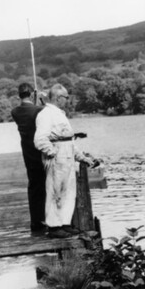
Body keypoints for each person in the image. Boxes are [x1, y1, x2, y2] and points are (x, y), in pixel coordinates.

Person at [33, 84, 100, 239]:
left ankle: (64, 223)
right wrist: (52, 152)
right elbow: (40, 139)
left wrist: (83, 158)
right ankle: (54, 226)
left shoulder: (59, 114)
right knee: (55, 191)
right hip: (57, 156)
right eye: (66, 97)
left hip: (66, 154)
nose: (67, 100)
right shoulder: (46, 114)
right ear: (57, 97)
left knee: (68, 191)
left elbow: (69, 141)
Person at [10, 82, 46, 233]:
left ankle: (35, 221)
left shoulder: (15, 112)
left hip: (28, 153)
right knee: (45, 185)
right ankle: (46, 219)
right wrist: (41, 102)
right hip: (41, 151)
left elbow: (28, 112)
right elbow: (40, 114)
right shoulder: (39, 110)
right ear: (32, 94)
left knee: (34, 186)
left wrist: (35, 102)